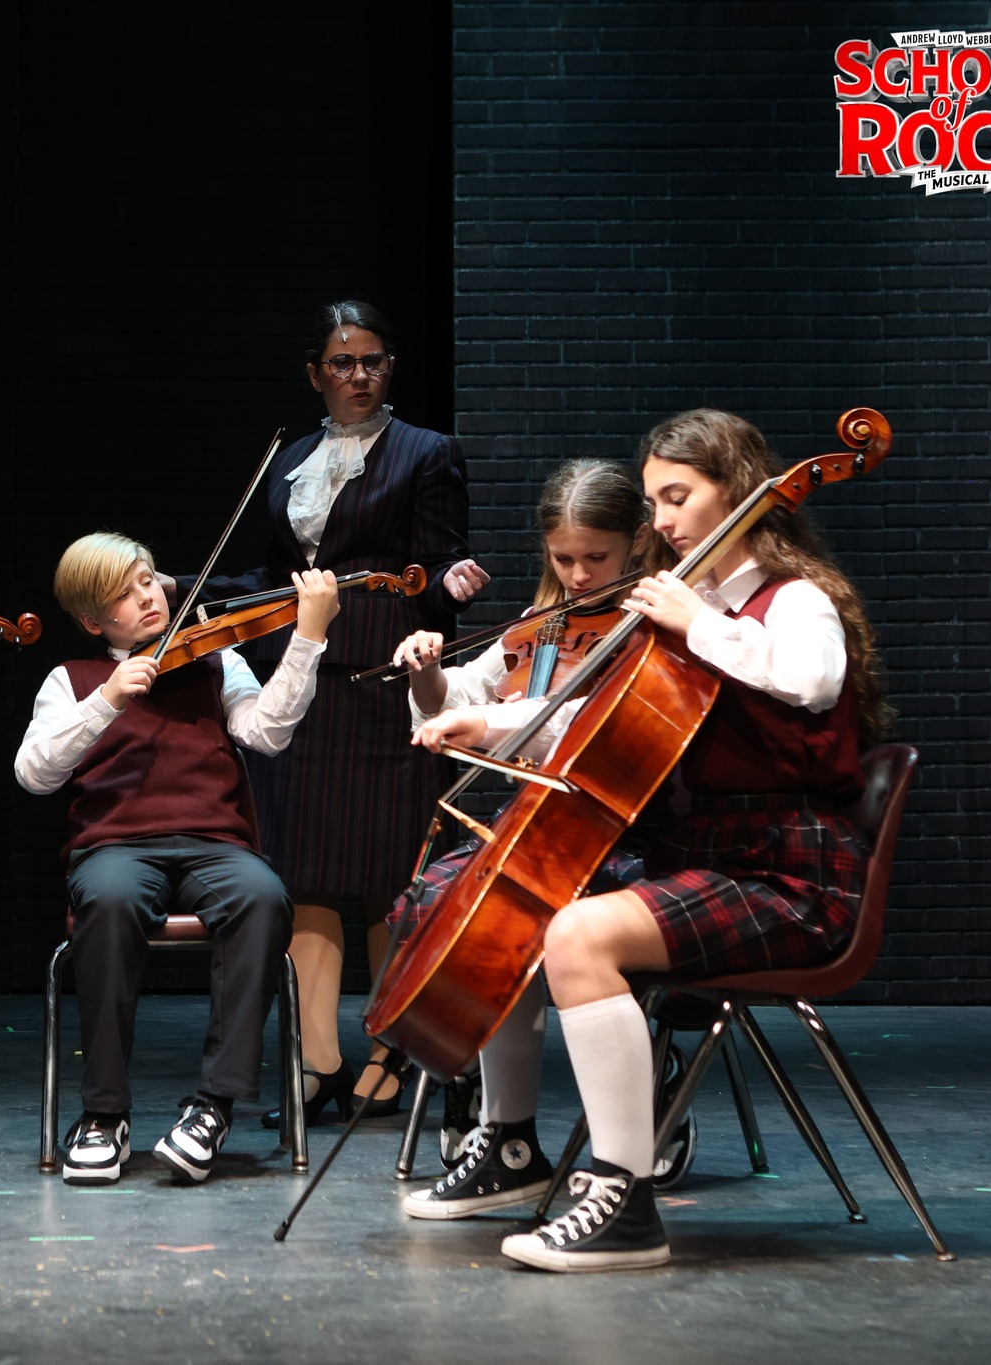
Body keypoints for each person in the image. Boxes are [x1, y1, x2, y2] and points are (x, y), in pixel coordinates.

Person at [399, 410, 890, 1272]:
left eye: (677, 496)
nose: (661, 519)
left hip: (790, 873)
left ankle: (623, 1199)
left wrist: (696, 621)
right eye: (655, 499)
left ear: (737, 491)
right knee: (519, 902)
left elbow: (812, 679)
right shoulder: (695, 606)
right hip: (709, 858)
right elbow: (605, 720)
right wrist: (487, 721)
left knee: (580, 934)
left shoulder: (790, 601)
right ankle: (513, 1142)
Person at [187, 300, 485, 1125]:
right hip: (307, 679)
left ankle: (391, 1053)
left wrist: (452, 580)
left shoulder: (427, 451)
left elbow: (438, 561)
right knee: (307, 872)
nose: (360, 375)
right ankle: (318, 1060)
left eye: (373, 361)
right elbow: (280, 576)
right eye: (343, 363)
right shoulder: (291, 458)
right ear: (315, 373)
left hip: (387, 685)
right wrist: (191, 591)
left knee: (393, 875)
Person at [16, 532, 338, 1184]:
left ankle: (213, 1107)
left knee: (263, 896)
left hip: (214, 842)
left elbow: (266, 732)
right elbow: (34, 772)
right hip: (116, 847)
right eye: (123, 595)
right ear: (94, 621)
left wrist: (307, 637)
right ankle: (104, 1113)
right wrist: (107, 699)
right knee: (108, 900)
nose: (148, 599)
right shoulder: (71, 679)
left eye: (147, 581)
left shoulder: (216, 659)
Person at [386, 458, 666, 1169]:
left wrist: (499, 721)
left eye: (596, 557)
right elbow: (457, 702)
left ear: (637, 541)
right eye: (563, 558)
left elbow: (591, 725)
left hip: (630, 832)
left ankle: (651, 1084)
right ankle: (485, 1096)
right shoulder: (538, 629)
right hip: (541, 829)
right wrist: (426, 672)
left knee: (509, 914)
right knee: (440, 903)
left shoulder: (653, 630)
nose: (578, 575)